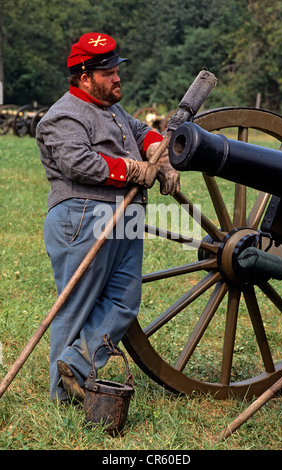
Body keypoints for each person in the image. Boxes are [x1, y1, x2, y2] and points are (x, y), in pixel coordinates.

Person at [36, 32, 180, 401]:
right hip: (83, 215)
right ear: (84, 78)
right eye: (108, 72)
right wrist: (134, 170)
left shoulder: (110, 109)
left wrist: (159, 159)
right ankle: (61, 397)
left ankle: (77, 364)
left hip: (125, 217)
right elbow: (78, 162)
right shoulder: (61, 116)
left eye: (117, 69)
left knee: (124, 301)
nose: (117, 77)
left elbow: (140, 131)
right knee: (78, 304)